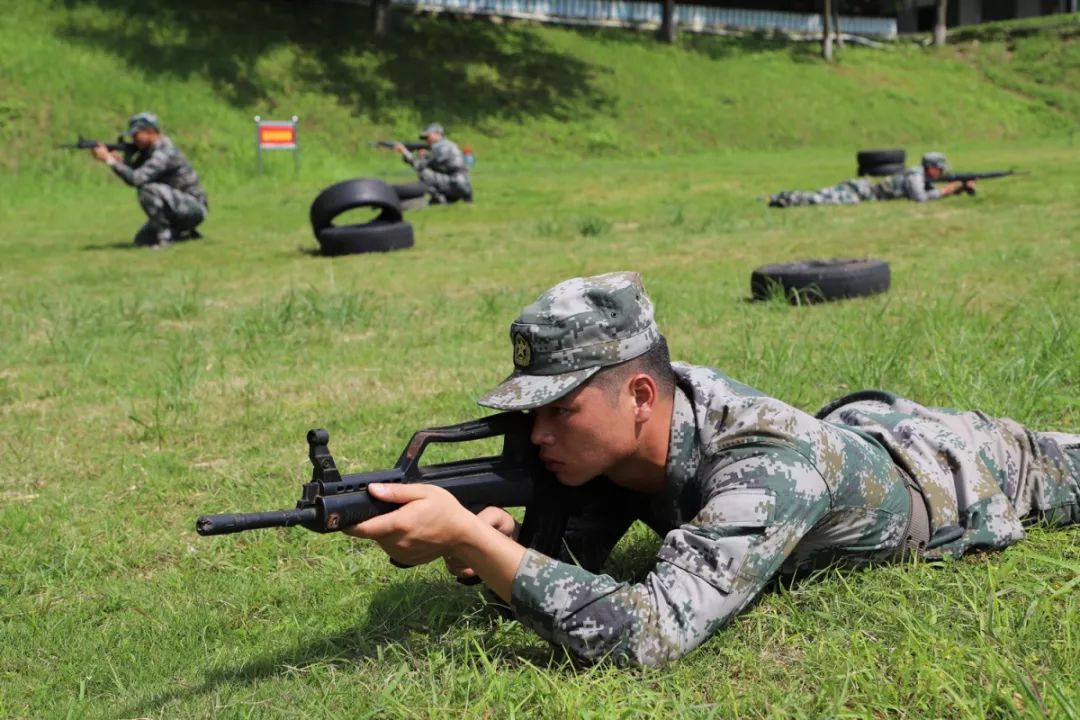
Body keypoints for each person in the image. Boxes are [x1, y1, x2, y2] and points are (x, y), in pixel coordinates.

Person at [344, 272, 1080, 667]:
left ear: (638, 396)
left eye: (559, 409)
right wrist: (495, 547)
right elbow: (573, 575)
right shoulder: (637, 429)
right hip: (859, 431)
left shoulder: (765, 466)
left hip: (973, 472)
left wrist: (477, 544)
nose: (536, 434)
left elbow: (647, 635)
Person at [92, 112, 208, 247]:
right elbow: (133, 174)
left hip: (194, 207)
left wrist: (109, 160)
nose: (134, 139)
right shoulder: (149, 151)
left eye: (136, 135)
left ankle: (165, 239)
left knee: (148, 189)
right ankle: (183, 233)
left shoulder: (163, 151)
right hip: (177, 205)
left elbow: (136, 179)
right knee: (142, 240)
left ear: (150, 131)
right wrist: (122, 161)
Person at [768, 152, 971, 208]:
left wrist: (961, 188)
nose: (942, 172)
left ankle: (782, 197)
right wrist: (947, 191)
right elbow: (920, 198)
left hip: (863, 190)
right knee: (817, 199)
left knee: (819, 196)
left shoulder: (921, 176)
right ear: (931, 168)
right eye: (940, 168)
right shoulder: (916, 176)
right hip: (860, 192)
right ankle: (782, 199)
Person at [394, 123, 472, 204]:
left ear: (437, 134)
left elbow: (419, 166)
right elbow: (439, 165)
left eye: (428, 136)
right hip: (461, 184)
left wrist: (405, 152)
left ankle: (439, 198)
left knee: (424, 173)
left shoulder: (440, 147)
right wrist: (426, 156)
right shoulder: (447, 145)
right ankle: (448, 198)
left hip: (455, 183)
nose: (426, 140)